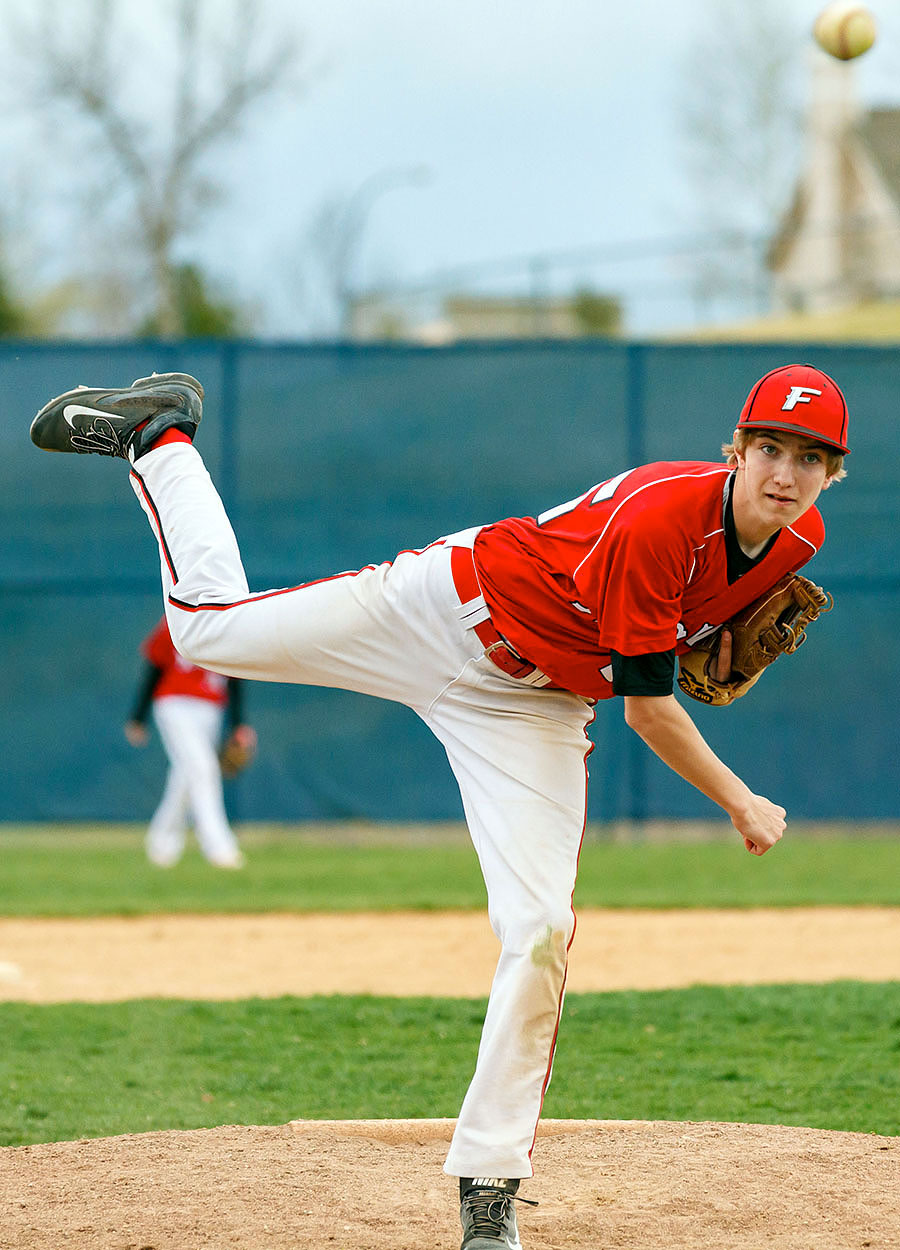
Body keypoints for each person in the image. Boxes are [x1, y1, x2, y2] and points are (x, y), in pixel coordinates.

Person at [30, 362, 848, 1249]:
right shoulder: (662, 518)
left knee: (538, 929)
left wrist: (707, 642)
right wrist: (741, 801)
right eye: (768, 447)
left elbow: (692, 642)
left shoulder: (798, 545)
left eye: (810, 458)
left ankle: (489, 1185)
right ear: (734, 448)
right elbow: (650, 707)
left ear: (833, 475)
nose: (784, 473)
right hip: (447, 609)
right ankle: (162, 439)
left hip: (536, 706)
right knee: (209, 632)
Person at [125, 614, 253, 869]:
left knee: (186, 775)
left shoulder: (228, 617)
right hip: (174, 704)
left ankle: (161, 844)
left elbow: (236, 676)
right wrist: (138, 717)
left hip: (211, 708)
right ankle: (219, 847)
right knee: (202, 768)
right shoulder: (175, 616)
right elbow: (155, 666)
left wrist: (239, 724)